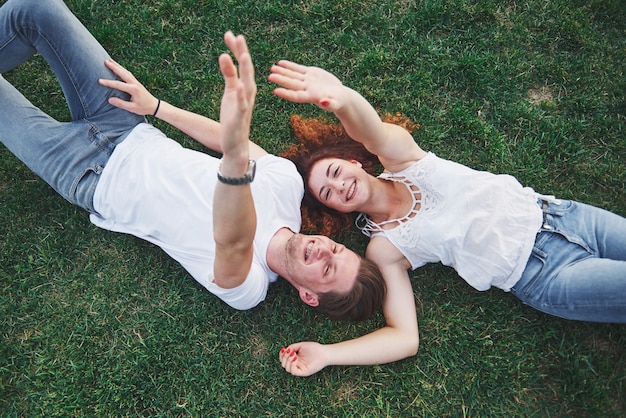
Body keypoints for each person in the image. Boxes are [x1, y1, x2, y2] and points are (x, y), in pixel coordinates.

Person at [0, 0, 386, 321]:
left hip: (87, 175)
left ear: (309, 295)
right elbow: (224, 140)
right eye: (337, 251)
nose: (323, 250)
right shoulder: (286, 184)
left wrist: (235, 157)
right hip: (128, 125)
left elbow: (231, 240)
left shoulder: (248, 286)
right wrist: (156, 106)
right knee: (36, 8)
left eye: (327, 269)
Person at [267, 60, 626, 376]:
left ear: (353, 162)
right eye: (327, 193)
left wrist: (342, 100)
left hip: (567, 217)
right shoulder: (385, 249)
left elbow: (370, 132)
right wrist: (328, 355)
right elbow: (404, 337)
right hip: (542, 274)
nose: (339, 185)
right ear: (336, 211)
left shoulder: (406, 159)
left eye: (334, 171)